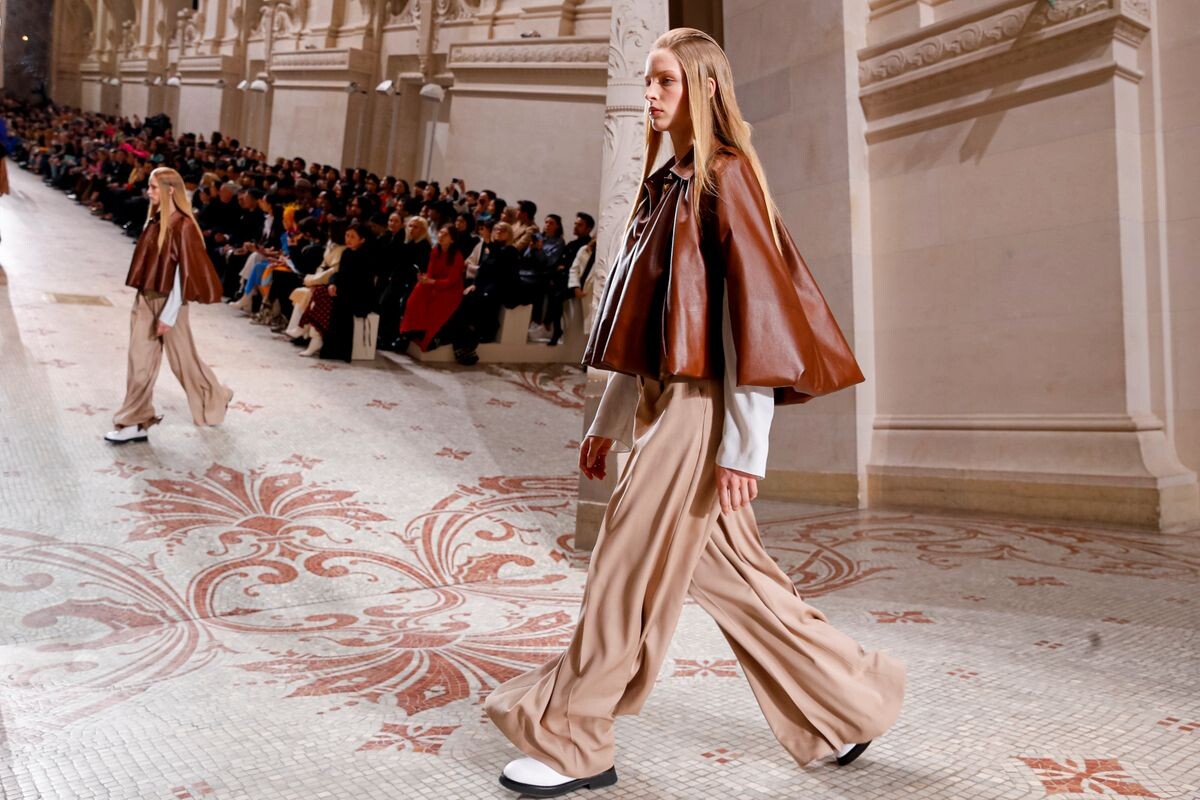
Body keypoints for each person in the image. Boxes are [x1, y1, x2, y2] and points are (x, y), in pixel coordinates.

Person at [483, 28, 905, 797]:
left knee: (625, 567)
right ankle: (849, 703)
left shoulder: (724, 177)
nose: (650, 95)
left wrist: (745, 448)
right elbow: (650, 326)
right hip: (665, 404)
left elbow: (754, 319)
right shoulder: (667, 184)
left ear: (705, 88)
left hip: (699, 413)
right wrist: (608, 422)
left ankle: (576, 738)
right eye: (647, 81)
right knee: (736, 576)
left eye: (665, 82)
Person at [105, 167, 233, 443]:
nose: (148, 191)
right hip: (146, 299)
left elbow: (181, 274)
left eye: (153, 187)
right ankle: (135, 421)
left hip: (169, 303)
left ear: (170, 190)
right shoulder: (156, 219)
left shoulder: (183, 225)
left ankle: (216, 396)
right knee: (139, 361)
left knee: (184, 362)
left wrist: (169, 314)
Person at [395, 224, 466, 352]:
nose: (441, 236)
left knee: (436, 300)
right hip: (435, 283)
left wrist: (431, 281)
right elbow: (430, 272)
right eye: (440, 233)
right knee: (418, 290)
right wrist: (424, 278)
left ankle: (423, 334)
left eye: (445, 234)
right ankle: (409, 330)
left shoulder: (457, 256)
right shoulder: (435, 250)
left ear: (452, 240)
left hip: (451, 290)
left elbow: (451, 281)